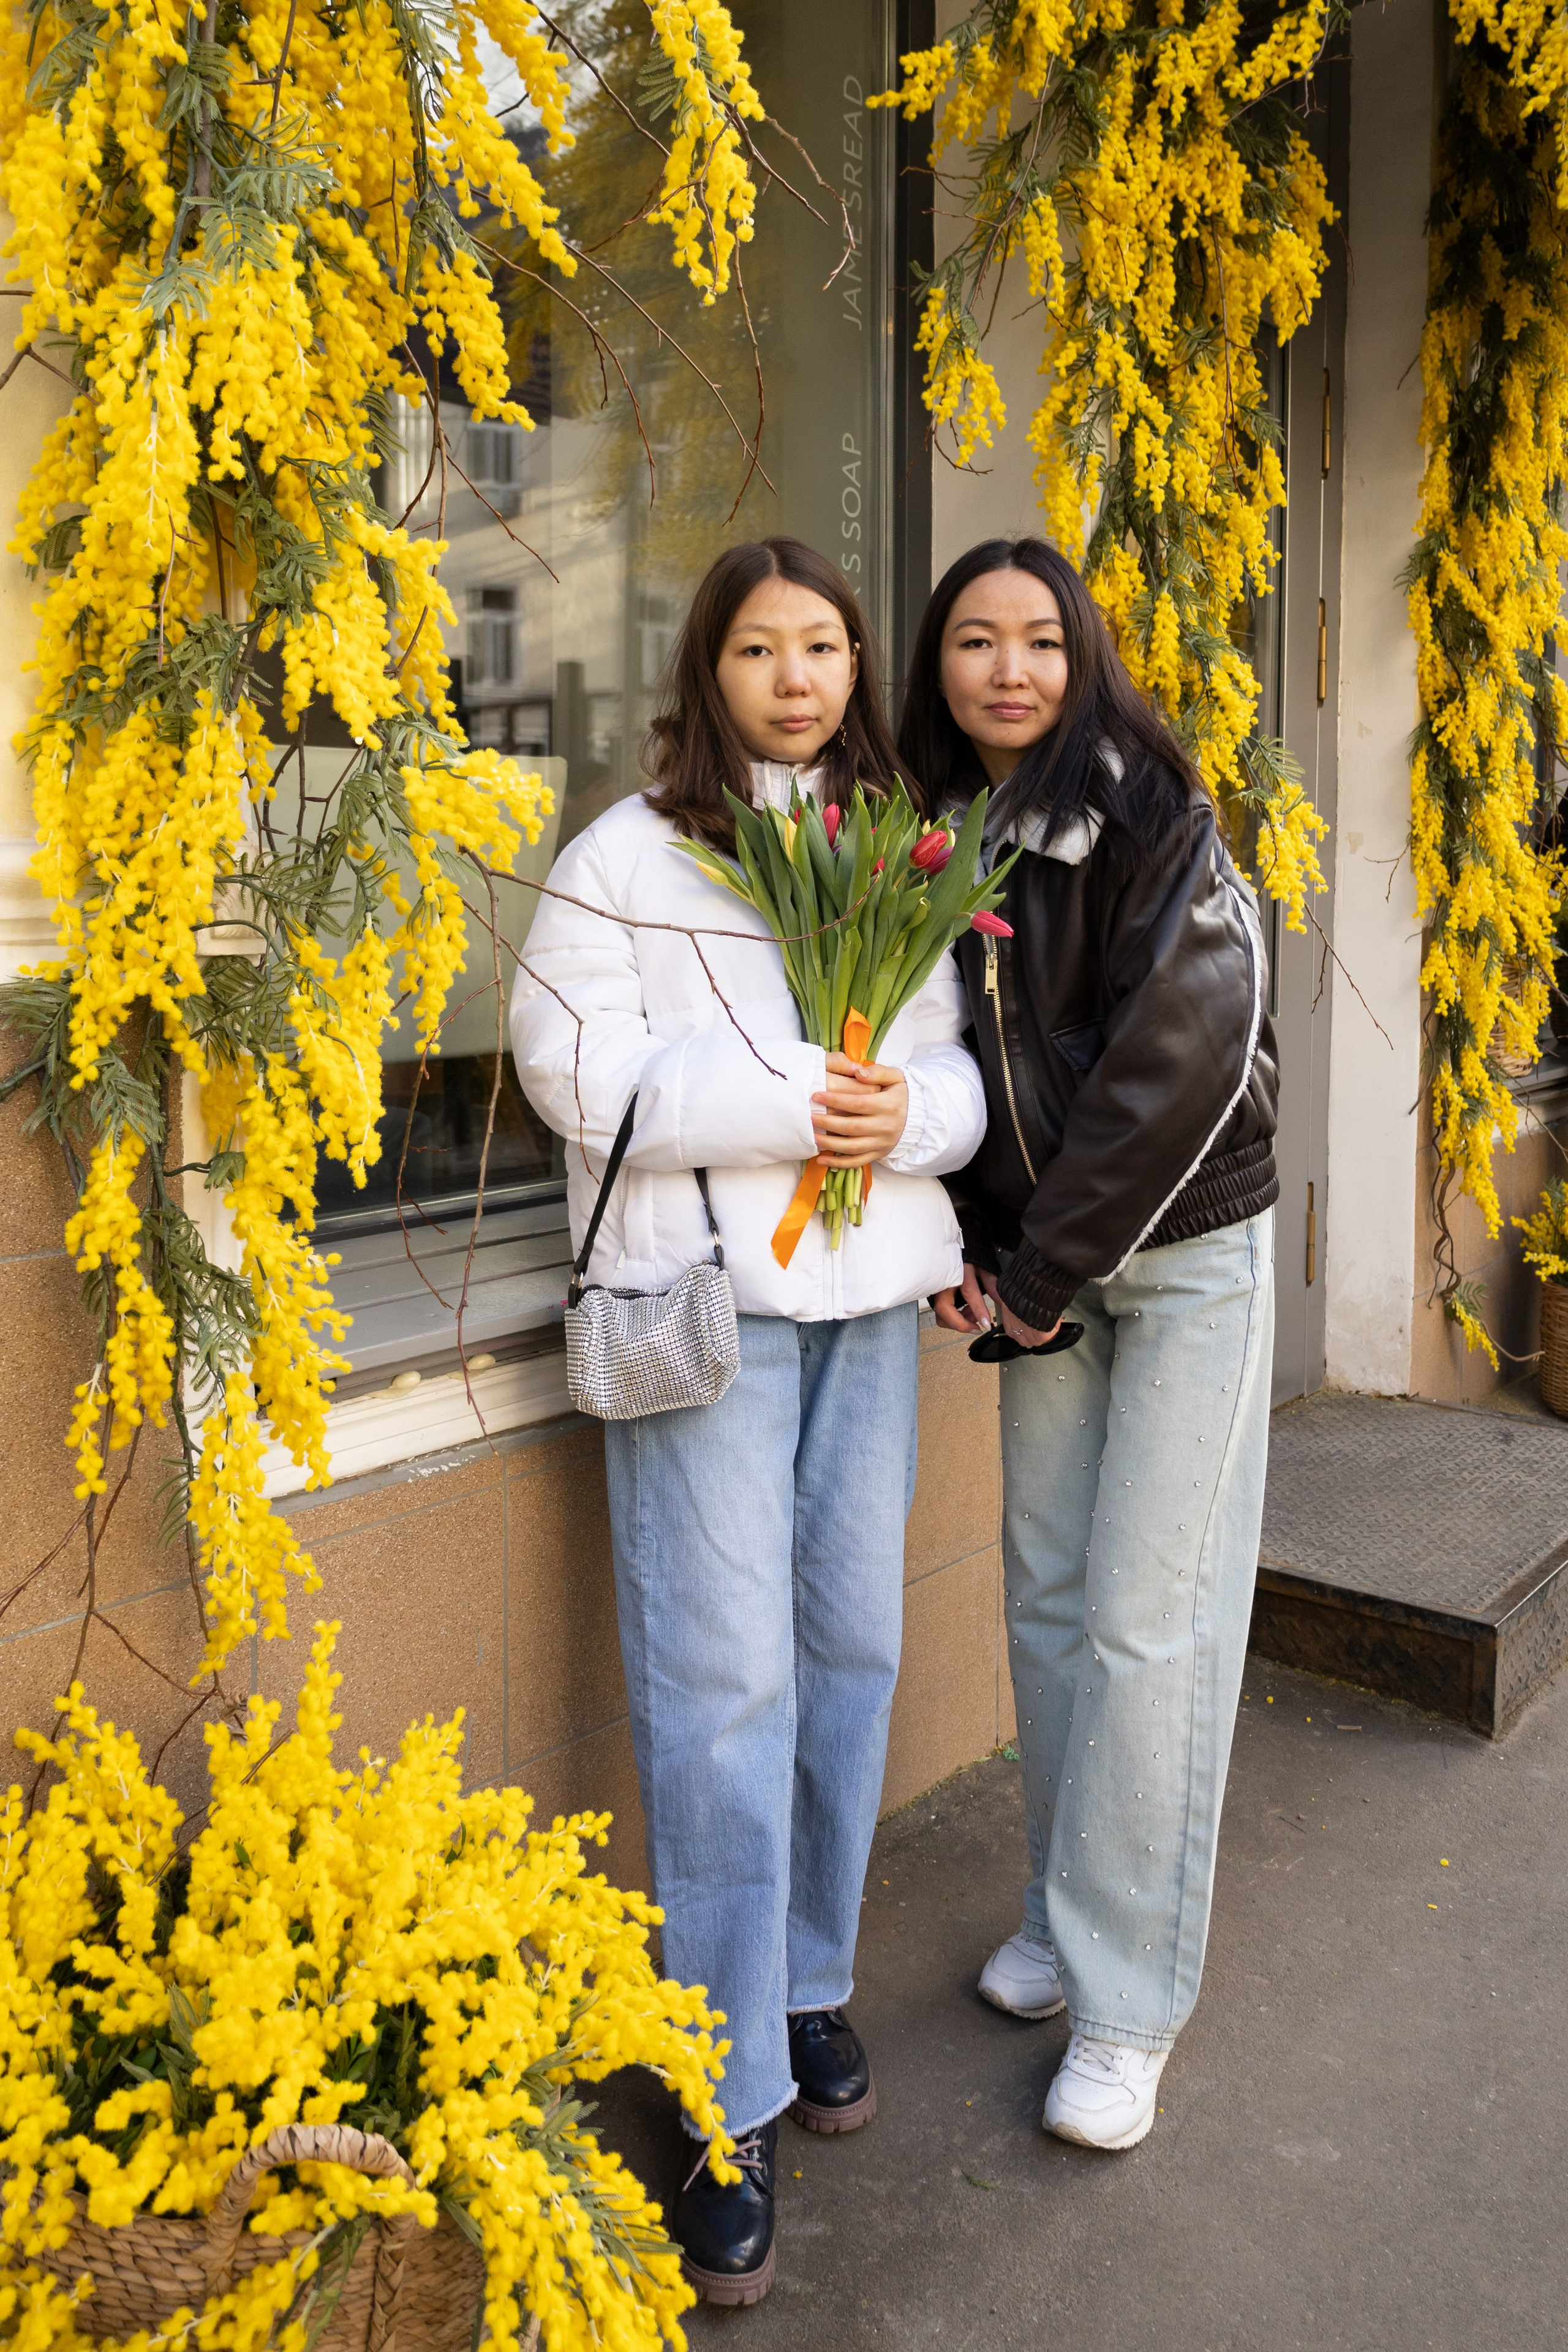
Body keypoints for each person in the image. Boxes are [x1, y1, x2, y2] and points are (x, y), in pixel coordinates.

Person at [510, 537, 986, 2302]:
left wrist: (902, 1121)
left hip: (863, 1312)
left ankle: (798, 1980)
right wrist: (802, 1094)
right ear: (707, 668)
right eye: (765, 649)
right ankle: (724, 2099)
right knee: (722, 1683)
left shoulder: (890, 847)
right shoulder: (627, 858)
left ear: (858, 670)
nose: (801, 677)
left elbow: (948, 1070)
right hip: (702, 1320)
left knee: (849, 1651)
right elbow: (571, 1066)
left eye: (829, 648)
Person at [905, 536, 1278, 2154]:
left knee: (1146, 1622)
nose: (1008, 669)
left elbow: (1179, 1060)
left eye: (1040, 641)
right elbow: (938, 1053)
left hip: (1182, 1251)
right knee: (1051, 1606)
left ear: (1085, 657)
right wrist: (949, 1244)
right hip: (1043, 1263)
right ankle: (1069, 1916)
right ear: (940, 665)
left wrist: (1040, 1269)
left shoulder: (1146, 811)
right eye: (975, 641)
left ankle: (1132, 2011)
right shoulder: (935, 830)